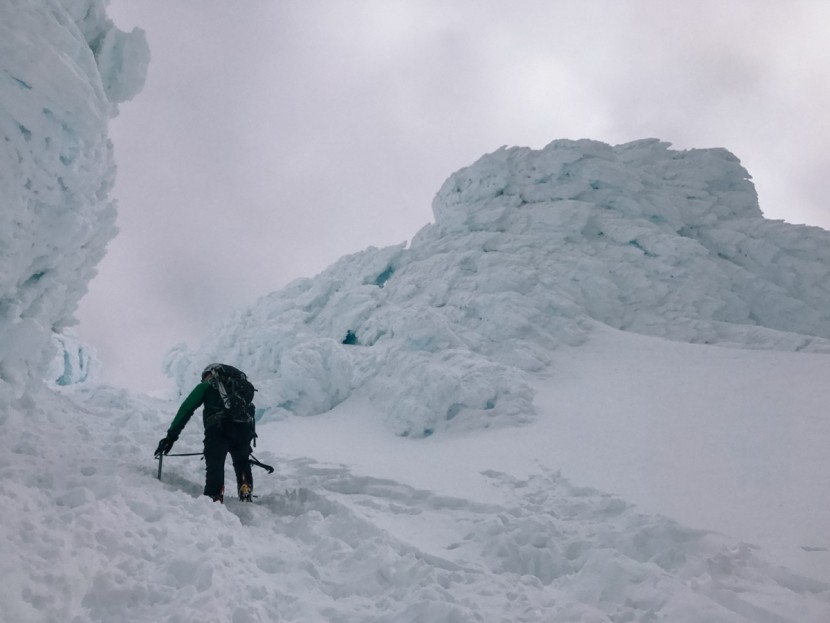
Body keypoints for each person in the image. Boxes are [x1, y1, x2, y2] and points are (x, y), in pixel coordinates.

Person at [154, 363, 254, 503]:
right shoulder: (240, 387)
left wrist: (171, 437)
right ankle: (245, 490)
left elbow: (186, 409)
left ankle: (215, 496)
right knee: (242, 461)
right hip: (243, 431)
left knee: (215, 463)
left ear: (209, 373)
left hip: (219, 429)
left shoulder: (208, 385)